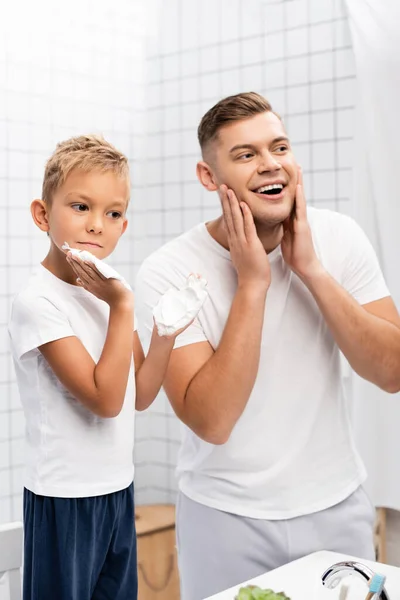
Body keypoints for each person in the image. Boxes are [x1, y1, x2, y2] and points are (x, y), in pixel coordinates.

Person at [135, 92, 400, 600]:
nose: (270, 164)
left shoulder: (339, 238)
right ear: (209, 178)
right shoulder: (168, 270)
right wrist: (252, 283)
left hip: (336, 508)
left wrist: (312, 271)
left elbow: (391, 372)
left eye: (279, 147)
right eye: (246, 154)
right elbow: (212, 420)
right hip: (225, 520)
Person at [8, 135, 190, 600]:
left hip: (116, 489)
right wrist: (123, 307)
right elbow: (107, 401)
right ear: (42, 215)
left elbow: (140, 395)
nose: (96, 225)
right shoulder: (38, 301)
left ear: (123, 226)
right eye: (80, 206)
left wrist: (165, 334)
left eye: (112, 213)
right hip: (64, 497)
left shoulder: (110, 292)